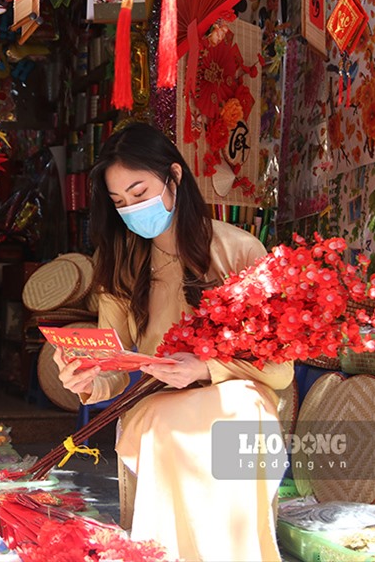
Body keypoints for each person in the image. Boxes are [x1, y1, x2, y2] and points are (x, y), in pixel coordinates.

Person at [53, 123, 293, 561]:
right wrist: (88, 380)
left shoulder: (239, 250)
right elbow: (114, 363)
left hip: (236, 394)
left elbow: (280, 370)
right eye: (120, 202)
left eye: (140, 193)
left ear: (175, 177)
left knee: (228, 423)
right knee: (168, 427)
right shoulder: (120, 263)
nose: (132, 210)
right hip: (156, 401)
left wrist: (206, 368)